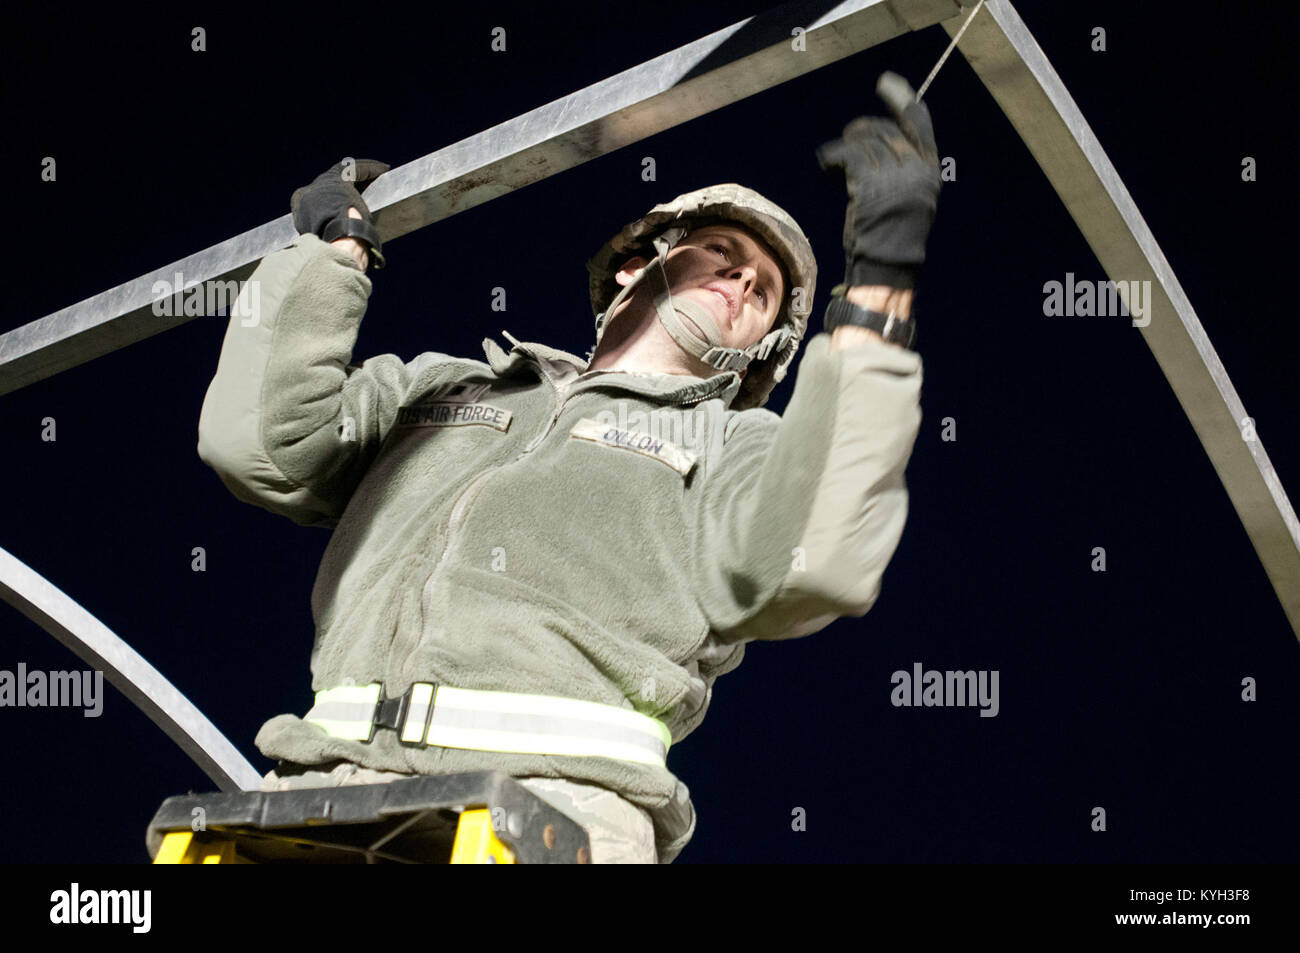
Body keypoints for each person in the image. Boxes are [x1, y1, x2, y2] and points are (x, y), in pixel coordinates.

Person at [196, 73, 940, 863]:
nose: (746, 281)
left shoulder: (733, 444)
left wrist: (881, 284)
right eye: (722, 253)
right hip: (319, 796)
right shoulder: (445, 389)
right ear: (635, 264)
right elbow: (262, 445)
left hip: (556, 812)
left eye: (765, 292)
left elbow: (816, 553)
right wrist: (329, 255)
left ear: (764, 349)